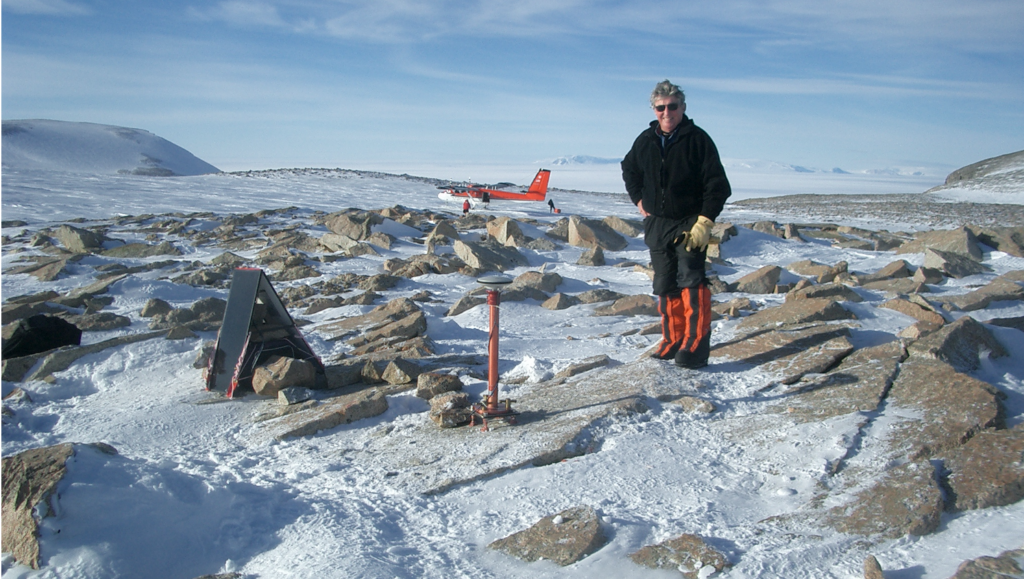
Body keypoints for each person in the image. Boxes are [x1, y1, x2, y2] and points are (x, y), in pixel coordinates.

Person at [621, 80, 731, 369]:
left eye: (672, 106)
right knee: (665, 283)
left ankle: (694, 346)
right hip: (657, 224)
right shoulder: (645, 140)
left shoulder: (698, 140)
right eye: (661, 107)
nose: (666, 112)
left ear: (683, 107)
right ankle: (673, 339)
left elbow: (717, 185)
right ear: (654, 109)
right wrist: (639, 200)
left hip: (689, 223)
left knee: (691, 281)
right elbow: (628, 167)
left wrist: (705, 221)